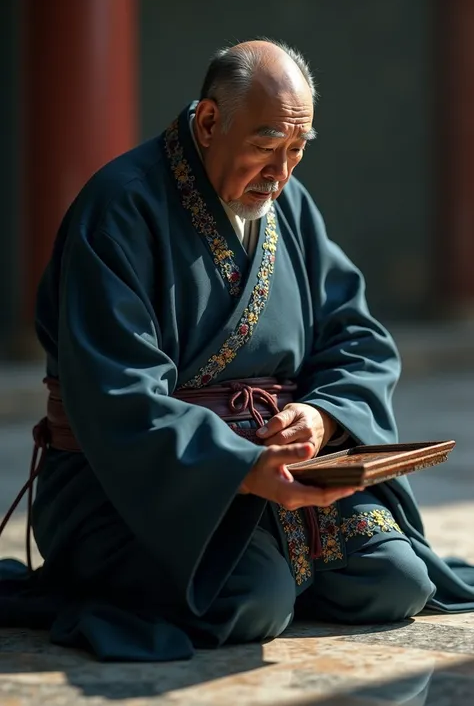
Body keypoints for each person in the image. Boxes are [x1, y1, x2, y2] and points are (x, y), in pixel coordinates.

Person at [1, 39, 473, 662]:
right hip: (135, 482)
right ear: (208, 122)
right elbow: (114, 394)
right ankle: (259, 567)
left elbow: (357, 338)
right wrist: (241, 468)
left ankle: (283, 558)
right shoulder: (119, 208)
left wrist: (322, 416)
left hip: (282, 461)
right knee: (253, 598)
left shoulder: (289, 205)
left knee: (393, 582)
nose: (280, 174)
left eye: (297, 151)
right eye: (265, 146)